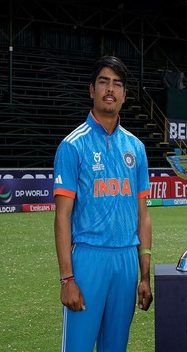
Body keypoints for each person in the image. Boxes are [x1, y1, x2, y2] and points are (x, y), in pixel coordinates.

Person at [53, 55, 153, 352]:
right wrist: (67, 278)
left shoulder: (136, 147)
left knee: (116, 348)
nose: (110, 89)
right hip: (88, 260)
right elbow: (62, 217)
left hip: (125, 263)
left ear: (124, 94)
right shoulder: (72, 145)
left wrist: (144, 275)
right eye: (104, 82)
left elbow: (143, 216)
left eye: (117, 84)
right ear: (92, 90)